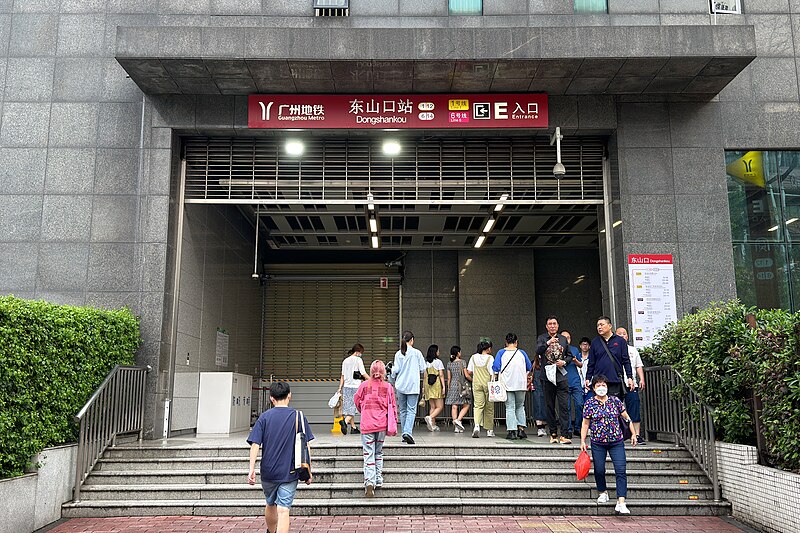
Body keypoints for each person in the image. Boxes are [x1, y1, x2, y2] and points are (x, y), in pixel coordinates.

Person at [247, 382, 314, 533]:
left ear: (271, 398)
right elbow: (306, 446)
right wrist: (309, 471)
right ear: (289, 395)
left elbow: (255, 444)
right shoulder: (299, 417)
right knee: (284, 510)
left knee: (270, 503)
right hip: (289, 472)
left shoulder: (264, 417)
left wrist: (251, 469)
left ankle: (271, 531)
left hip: (268, 471)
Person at [580, 374, 637, 515]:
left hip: (616, 441)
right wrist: (582, 440)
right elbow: (585, 423)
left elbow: (626, 417)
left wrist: (634, 433)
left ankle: (621, 501)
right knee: (599, 469)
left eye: (603, 385)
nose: (601, 388)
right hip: (598, 442)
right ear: (593, 388)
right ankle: (602, 491)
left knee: (621, 469)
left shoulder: (615, 401)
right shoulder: (590, 403)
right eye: (598, 385)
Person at [354, 360, 397, 497]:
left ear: (371, 371)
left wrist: (364, 410)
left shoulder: (363, 386)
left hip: (367, 425)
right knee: (378, 452)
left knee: (368, 454)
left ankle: (369, 482)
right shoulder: (388, 387)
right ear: (384, 371)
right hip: (381, 426)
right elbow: (393, 406)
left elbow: (356, 400)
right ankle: (378, 479)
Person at [535, 316, 573, 444]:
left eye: (554, 324)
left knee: (563, 406)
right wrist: (548, 343)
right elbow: (538, 351)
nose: (552, 326)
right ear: (546, 326)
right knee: (549, 406)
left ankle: (565, 434)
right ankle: (553, 433)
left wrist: (564, 362)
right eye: (550, 324)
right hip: (547, 377)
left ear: (558, 326)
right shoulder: (542, 338)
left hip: (561, 376)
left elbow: (569, 356)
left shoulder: (563, 339)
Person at [493, 332, 533, 440]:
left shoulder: (501, 352)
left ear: (506, 342)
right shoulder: (522, 353)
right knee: (520, 406)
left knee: (510, 407)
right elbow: (529, 366)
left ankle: (512, 431)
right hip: (520, 384)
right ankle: (521, 429)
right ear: (516, 342)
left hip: (507, 384)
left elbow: (496, 367)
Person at [585, 316, 634, 400]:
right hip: (599, 382)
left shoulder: (620, 341)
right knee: (600, 409)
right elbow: (591, 363)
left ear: (610, 326)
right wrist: (588, 378)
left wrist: (630, 377)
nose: (599, 327)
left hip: (615, 380)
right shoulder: (595, 342)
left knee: (615, 409)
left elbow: (626, 361)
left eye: (602, 325)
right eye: (598, 325)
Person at [391, 330, 426, 444]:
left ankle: (404, 433)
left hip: (401, 385)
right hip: (413, 385)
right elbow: (423, 369)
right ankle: (407, 433)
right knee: (411, 410)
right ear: (412, 340)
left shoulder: (398, 354)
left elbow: (395, 370)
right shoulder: (417, 353)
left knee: (403, 410)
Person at [616, 327, 647, 445]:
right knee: (616, 410)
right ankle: (618, 434)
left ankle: (637, 434)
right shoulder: (613, 349)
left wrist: (641, 379)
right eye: (620, 334)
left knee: (634, 407)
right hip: (617, 383)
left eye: (624, 334)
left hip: (632, 384)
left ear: (627, 337)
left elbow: (638, 366)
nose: (622, 336)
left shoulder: (633, 350)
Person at [466, 340, 495, 438]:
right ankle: (489, 430)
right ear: (488, 349)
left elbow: (469, 371)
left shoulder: (473, 357)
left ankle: (477, 425)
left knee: (478, 406)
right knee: (489, 407)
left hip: (476, 383)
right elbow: (492, 373)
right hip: (488, 384)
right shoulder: (490, 358)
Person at [337, 343, 368, 435]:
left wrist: (340, 388)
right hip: (356, 387)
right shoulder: (358, 360)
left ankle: (353, 427)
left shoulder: (345, 361)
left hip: (346, 387)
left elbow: (342, 376)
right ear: (358, 352)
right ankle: (345, 422)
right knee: (354, 407)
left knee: (349, 407)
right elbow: (363, 373)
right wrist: (371, 380)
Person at [562, 330, 585, 438]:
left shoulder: (575, 349)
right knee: (566, 407)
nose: (567, 339)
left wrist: (575, 361)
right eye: (564, 337)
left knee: (580, 404)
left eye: (568, 337)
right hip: (563, 380)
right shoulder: (558, 350)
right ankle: (568, 430)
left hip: (575, 381)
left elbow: (581, 365)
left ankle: (578, 427)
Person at [445, 345, 471, 433]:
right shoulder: (462, 362)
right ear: (458, 353)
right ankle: (458, 420)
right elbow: (466, 375)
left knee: (454, 405)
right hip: (461, 385)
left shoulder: (449, 363)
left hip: (453, 385)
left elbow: (449, 378)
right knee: (466, 404)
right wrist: (473, 380)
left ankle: (456, 427)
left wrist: (449, 387)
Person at [423, 344, 446, 432]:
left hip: (428, 385)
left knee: (433, 406)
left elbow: (425, 376)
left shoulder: (426, 363)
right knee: (439, 406)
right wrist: (443, 387)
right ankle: (430, 417)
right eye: (438, 351)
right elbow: (441, 375)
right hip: (436, 384)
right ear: (435, 352)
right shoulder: (438, 362)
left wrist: (423, 388)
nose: (439, 352)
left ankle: (432, 425)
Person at [578, 336, 592, 401]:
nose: (585, 346)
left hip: (590, 384)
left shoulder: (592, 358)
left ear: (589, 346)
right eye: (583, 344)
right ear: (580, 346)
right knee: (579, 405)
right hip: (579, 385)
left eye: (586, 344)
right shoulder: (577, 358)